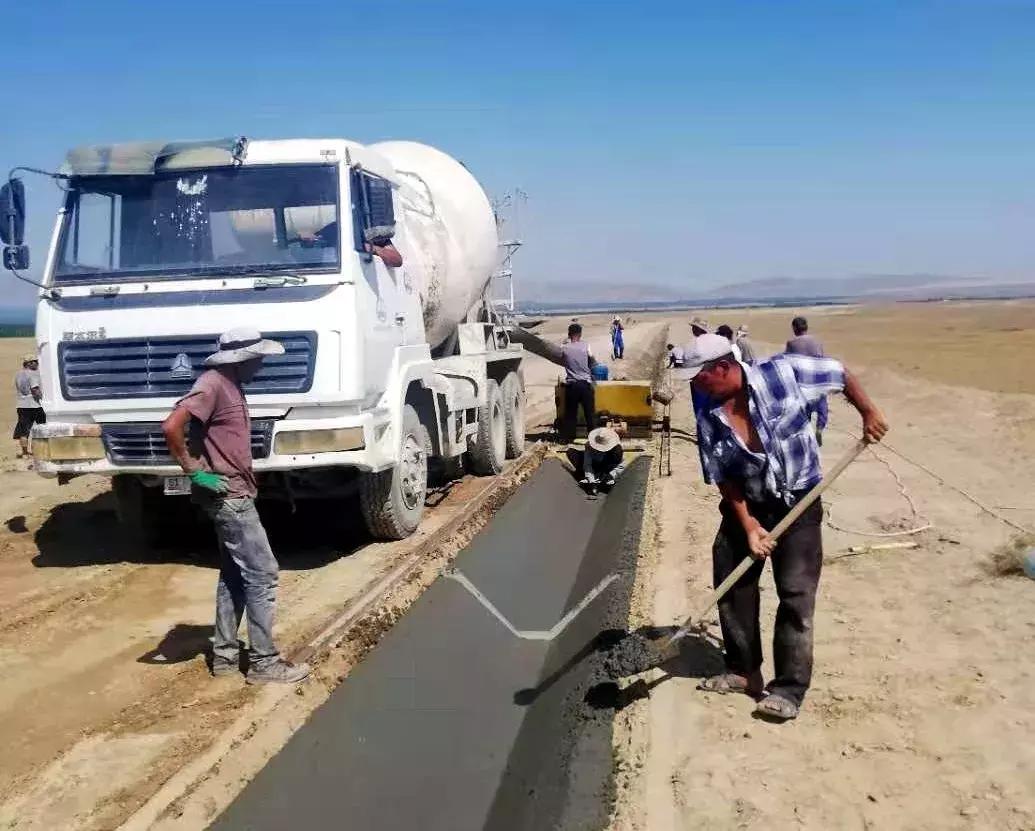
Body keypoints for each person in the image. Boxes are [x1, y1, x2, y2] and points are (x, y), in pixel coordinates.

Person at [684, 333, 888, 721]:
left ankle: (789, 688)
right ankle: (744, 671)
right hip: (747, 503)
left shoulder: (783, 373)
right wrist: (747, 526)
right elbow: (723, 475)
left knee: (795, 593)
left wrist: (868, 412)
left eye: (700, 377)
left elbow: (839, 373)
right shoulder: (707, 416)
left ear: (723, 368)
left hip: (799, 502)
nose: (696, 385)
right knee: (732, 580)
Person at [162, 327, 310, 685]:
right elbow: (171, 426)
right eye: (257, 358)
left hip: (233, 492)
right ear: (241, 359)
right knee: (262, 573)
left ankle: (225, 657)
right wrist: (195, 472)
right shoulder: (213, 384)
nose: (260, 364)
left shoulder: (229, 384)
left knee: (234, 577)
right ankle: (264, 662)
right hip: (229, 497)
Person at [785, 316, 828, 445]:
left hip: (803, 381)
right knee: (822, 407)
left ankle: (806, 434)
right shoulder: (816, 342)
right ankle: (819, 429)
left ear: (794, 328)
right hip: (818, 378)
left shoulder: (791, 343)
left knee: (804, 409)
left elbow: (789, 362)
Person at [301, 221, 403, 268]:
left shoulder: (371, 229)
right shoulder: (334, 228)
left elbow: (397, 260)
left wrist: (375, 249)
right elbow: (314, 240)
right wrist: (308, 240)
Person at [559, 323, 597, 444]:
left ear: (569, 334)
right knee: (590, 414)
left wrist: (566, 342)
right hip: (585, 384)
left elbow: (561, 356)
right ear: (580, 334)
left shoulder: (564, 347)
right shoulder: (586, 345)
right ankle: (593, 439)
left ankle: (567, 439)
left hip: (572, 386)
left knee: (570, 414)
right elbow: (592, 359)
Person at [13, 354, 45, 458]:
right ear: (29, 363)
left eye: (37, 361)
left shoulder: (18, 374)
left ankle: (25, 453)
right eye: (34, 361)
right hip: (34, 405)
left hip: (21, 405)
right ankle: (38, 450)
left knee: (23, 430)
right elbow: (35, 389)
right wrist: (42, 397)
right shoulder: (32, 374)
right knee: (42, 428)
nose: (36, 363)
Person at [581, 426, 625, 495]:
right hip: (595, 466)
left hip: (608, 467)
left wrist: (611, 475)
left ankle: (604, 480)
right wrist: (592, 481)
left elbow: (621, 466)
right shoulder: (589, 446)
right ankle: (594, 479)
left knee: (612, 485)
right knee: (572, 452)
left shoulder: (617, 449)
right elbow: (587, 464)